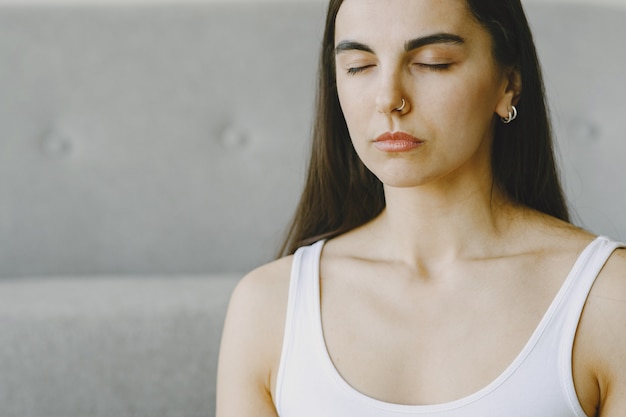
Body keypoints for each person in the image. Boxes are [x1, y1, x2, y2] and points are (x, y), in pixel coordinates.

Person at [216, 0, 626, 415]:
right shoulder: (268, 306)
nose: (388, 99)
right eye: (359, 65)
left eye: (432, 62)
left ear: (508, 84)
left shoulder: (607, 297)